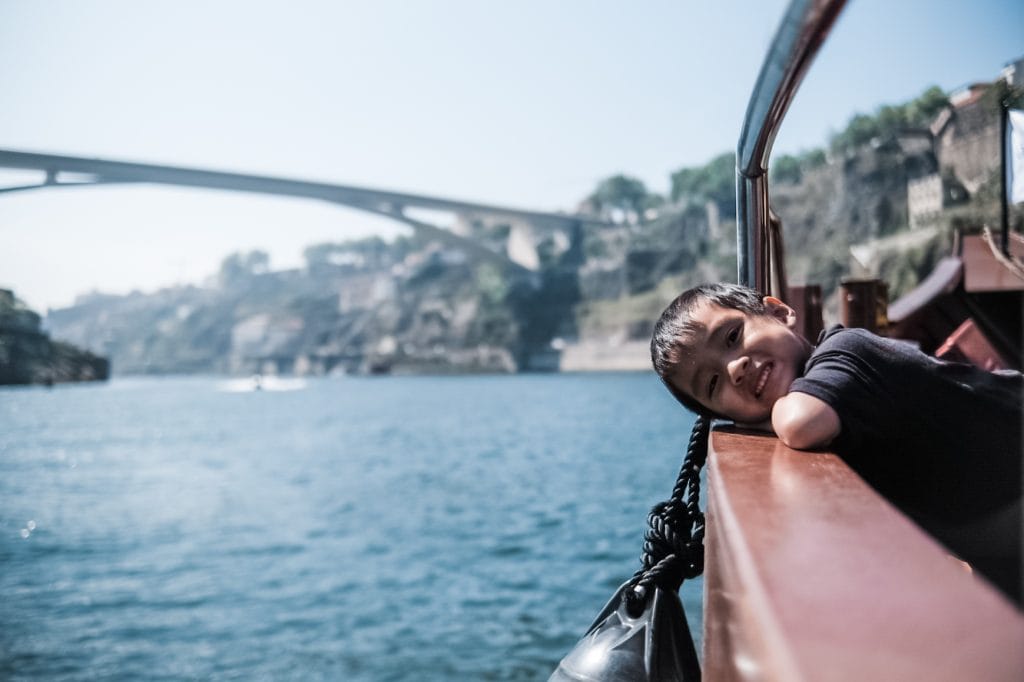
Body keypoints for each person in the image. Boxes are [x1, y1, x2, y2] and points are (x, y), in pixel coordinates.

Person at [650, 282, 1023, 605]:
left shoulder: (847, 350)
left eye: (733, 337)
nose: (734, 368)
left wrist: (765, 415)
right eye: (713, 385)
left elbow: (800, 422)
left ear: (779, 311)